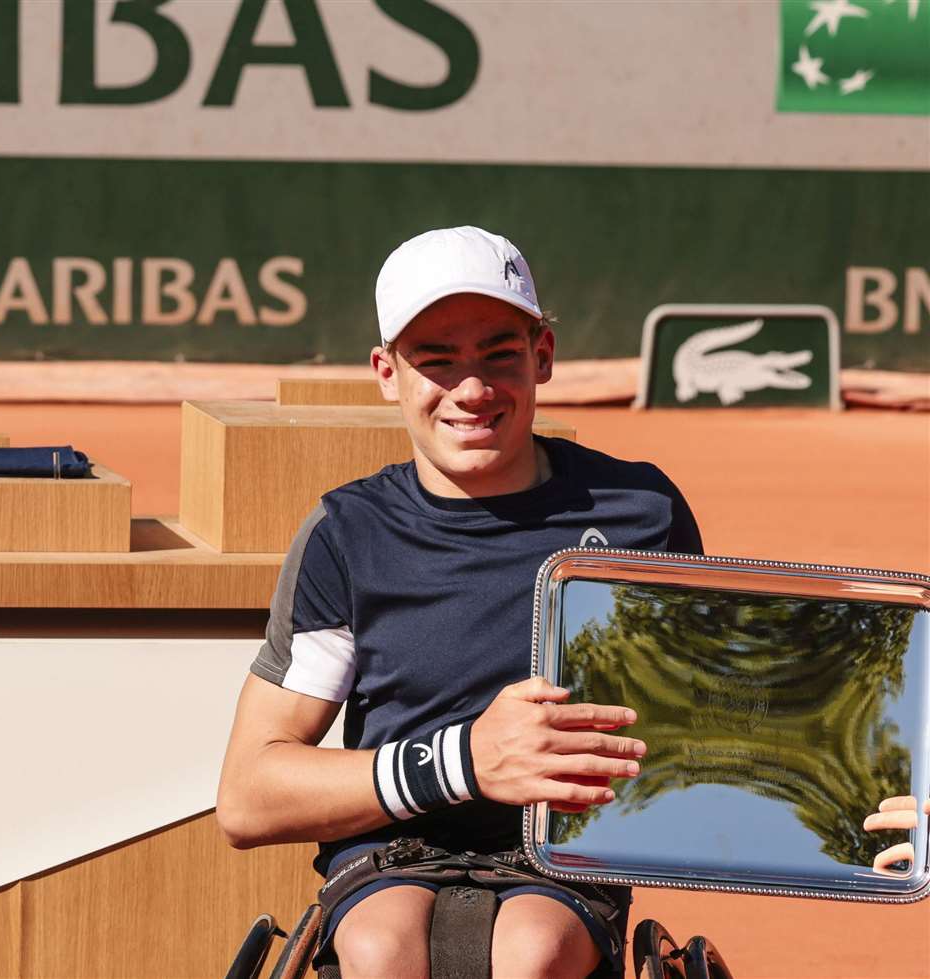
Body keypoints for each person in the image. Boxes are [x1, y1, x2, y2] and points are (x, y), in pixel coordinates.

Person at [216, 226, 702, 979]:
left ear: (542, 354)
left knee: (531, 952)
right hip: (387, 850)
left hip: (561, 856)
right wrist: (466, 760)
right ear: (386, 372)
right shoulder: (347, 535)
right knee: (381, 951)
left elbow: (711, 713)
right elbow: (247, 795)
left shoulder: (643, 511)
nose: (471, 390)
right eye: (435, 361)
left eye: (498, 355)